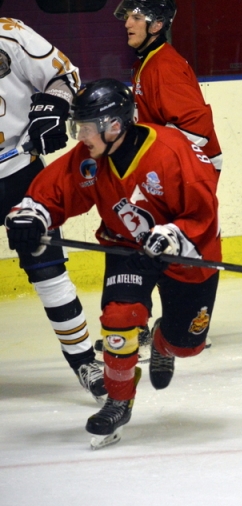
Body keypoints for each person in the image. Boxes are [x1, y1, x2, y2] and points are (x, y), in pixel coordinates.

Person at [4, 78, 221, 447]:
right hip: (128, 248)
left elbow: (203, 214)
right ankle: (119, 400)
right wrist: (33, 215)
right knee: (119, 316)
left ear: (114, 125)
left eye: (85, 128)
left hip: (186, 252)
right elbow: (57, 189)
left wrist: (173, 235)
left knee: (188, 343)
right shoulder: (92, 157)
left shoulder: (172, 152)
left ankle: (166, 345)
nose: (79, 136)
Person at [0, 18, 107, 401]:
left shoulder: (9, 34)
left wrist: (53, 106)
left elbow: (64, 75)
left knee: (48, 273)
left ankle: (84, 361)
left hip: (15, 173)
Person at [114, 0, 222, 173]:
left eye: (136, 18)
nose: (127, 24)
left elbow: (196, 126)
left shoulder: (165, 67)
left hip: (190, 168)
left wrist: (157, 158)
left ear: (156, 25)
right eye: (128, 17)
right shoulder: (146, 62)